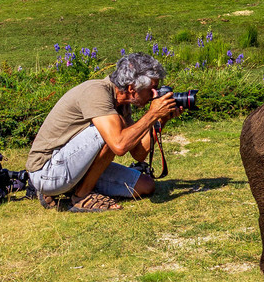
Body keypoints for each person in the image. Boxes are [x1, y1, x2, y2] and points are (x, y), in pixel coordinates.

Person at [25, 51, 183, 212]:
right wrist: (152, 113)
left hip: (72, 166)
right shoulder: (96, 92)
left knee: (146, 186)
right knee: (114, 130)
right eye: (152, 89)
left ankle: (70, 188)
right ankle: (81, 196)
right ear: (132, 88)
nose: (155, 95)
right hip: (47, 171)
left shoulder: (122, 102)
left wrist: (161, 120)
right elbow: (119, 145)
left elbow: (139, 154)